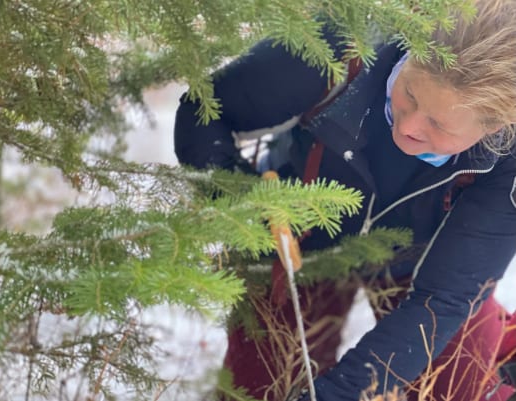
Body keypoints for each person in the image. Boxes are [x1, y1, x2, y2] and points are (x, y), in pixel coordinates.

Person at [173, 0, 516, 400]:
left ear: (496, 126)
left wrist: (339, 394)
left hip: (418, 261)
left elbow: (443, 299)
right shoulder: (341, 47)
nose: (407, 126)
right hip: (296, 238)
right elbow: (204, 112)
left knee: (460, 383)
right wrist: (249, 207)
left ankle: (502, 345)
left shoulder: (507, 158)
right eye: (409, 93)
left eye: (437, 124)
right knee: (256, 388)